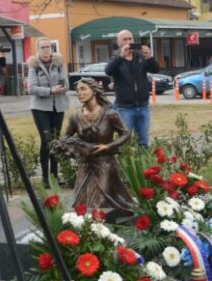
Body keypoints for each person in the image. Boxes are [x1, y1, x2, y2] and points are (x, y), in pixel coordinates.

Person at [55, 78, 134, 213]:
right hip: (85, 164)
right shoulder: (75, 117)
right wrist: (70, 148)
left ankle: (105, 227)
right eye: (77, 90)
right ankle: (88, 230)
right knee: (81, 204)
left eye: (83, 89)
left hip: (104, 164)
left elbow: (126, 133)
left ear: (94, 91)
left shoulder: (110, 114)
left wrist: (108, 146)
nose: (79, 93)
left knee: (99, 202)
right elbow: (66, 138)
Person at [27, 37, 69, 189]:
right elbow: (31, 88)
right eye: (42, 47)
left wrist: (61, 88)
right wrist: (50, 90)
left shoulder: (59, 63)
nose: (45, 50)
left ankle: (54, 175)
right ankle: (45, 177)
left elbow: (66, 83)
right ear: (38, 49)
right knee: (46, 141)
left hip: (58, 106)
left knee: (55, 141)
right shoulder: (34, 66)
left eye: (48, 47)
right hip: (40, 108)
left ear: (51, 48)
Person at [104, 30, 158, 147]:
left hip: (143, 106)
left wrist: (149, 57)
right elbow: (108, 71)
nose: (128, 41)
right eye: (124, 39)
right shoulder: (116, 59)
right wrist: (121, 56)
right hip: (124, 108)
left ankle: (144, 165)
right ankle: (126, 164)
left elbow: (155, 69)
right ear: (119, 43)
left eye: (130, 39)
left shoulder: (140, 56)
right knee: (125, 142)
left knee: (143, 141)